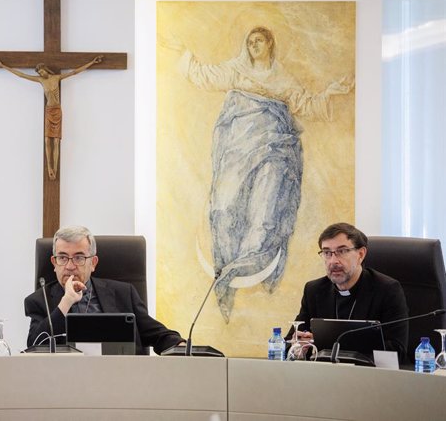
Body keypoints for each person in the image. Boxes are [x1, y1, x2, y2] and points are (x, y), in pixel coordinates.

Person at [168, 26, 354, 323]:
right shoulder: (236, 71)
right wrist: (182, 53)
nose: (254, 45)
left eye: (259, 40)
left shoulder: (283, 79)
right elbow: (203, 74)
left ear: (270, 43)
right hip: (238, 149)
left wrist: (332, 92)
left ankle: (243, 270)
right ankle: (226, 276)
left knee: (265, 214)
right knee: (224, 209)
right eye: (250, 41)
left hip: (274, 149)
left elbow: (305, 104)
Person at [24, 225, 184, 355]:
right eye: (63, 257)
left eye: (79, 258)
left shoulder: (123, 294)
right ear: (54, 263)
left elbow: (156, 334)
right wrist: (65, 303)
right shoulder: (39, 300)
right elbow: (35, 346)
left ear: (93, 263)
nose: (70, 266)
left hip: (119, 379)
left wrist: (179, 345)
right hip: (65, 383)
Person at [287, 222, 409, 359]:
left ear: (361, 254)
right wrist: (298, 345)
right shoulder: (314, 290)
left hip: (369, 375)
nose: (333, 261)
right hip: (325, 375)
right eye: (327, 253)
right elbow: (289, 343)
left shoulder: (387, 290)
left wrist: (330, 345)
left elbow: (397, 349)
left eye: (342, 251)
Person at [0, 56, 102, 180]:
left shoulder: (56, 78)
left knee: (56, 141)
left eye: (42, 71)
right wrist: (3, 66)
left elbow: (74, 72)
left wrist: (92, 63)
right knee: (46, 140)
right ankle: (49, 167)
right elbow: (21, 75)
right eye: (39, 73)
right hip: (49, 111)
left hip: (57, 111)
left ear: (46, 70)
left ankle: (54, 168)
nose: (41, 73)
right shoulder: (40, 80)